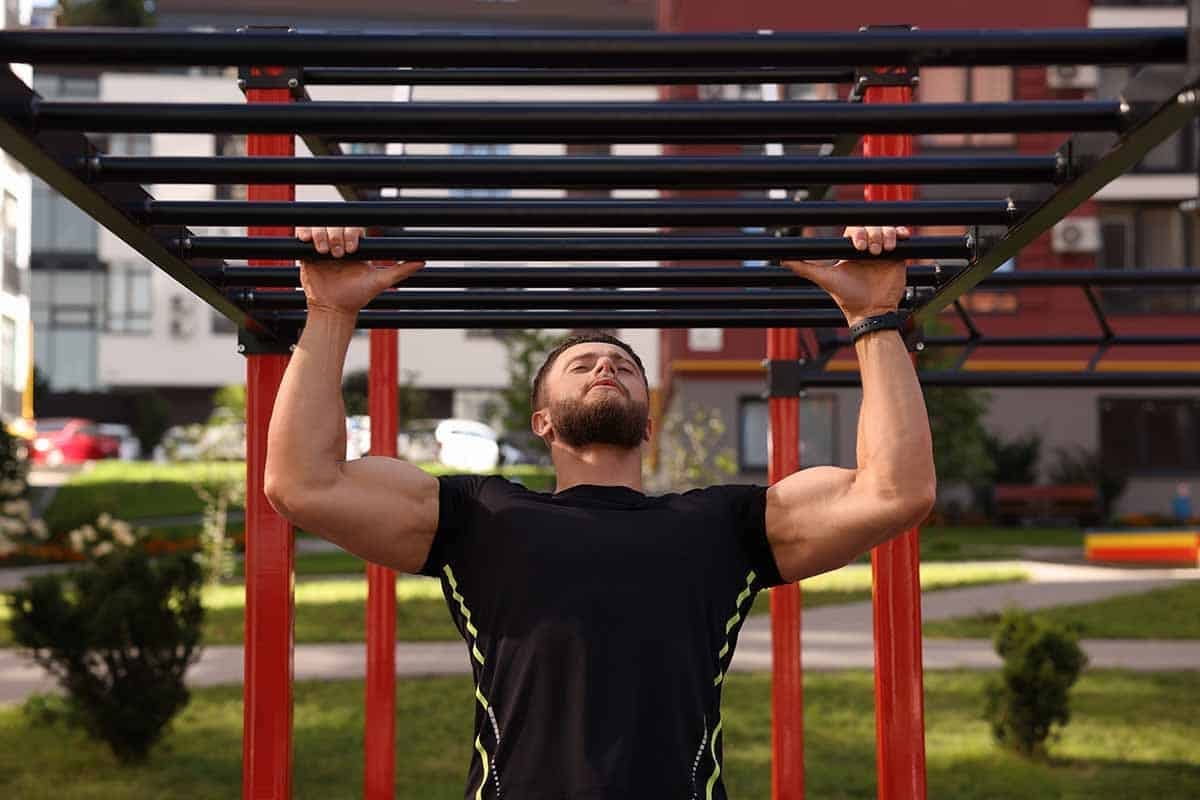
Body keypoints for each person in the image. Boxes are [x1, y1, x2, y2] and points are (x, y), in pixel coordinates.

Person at [264, 224, 935, 799]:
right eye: (583, 364)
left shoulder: (719, 526)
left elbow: (894, 490)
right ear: (544, 421)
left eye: (622, 366)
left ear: (648, 426)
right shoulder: (481, 517)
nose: (606, 368)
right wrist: (328, 314)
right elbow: (302, 483)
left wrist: (873, 319)